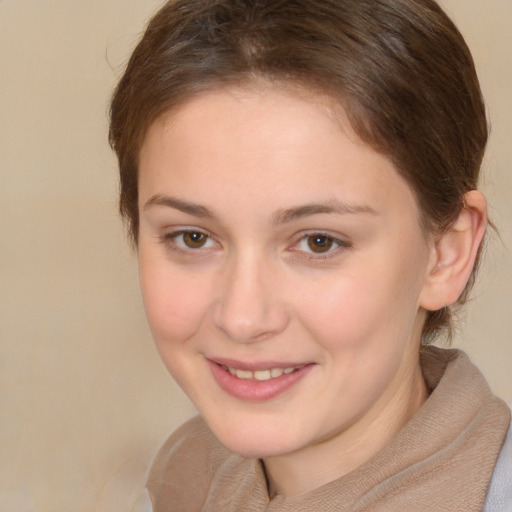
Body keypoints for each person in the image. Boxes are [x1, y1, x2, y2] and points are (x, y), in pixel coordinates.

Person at [109, 0, 512, 510]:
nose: (242, 317)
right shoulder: (174, 486)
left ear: (446, 254)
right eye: (193, 237)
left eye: (318, 242)